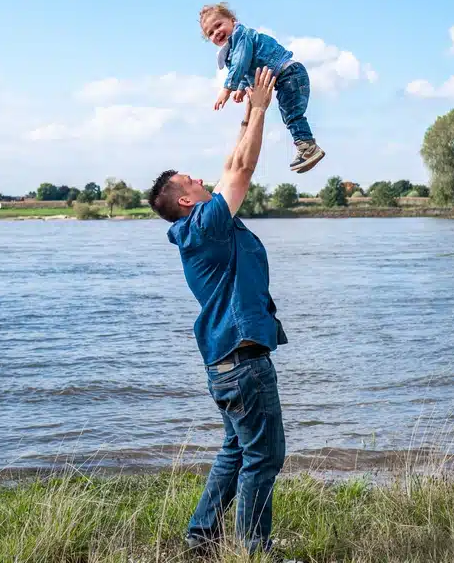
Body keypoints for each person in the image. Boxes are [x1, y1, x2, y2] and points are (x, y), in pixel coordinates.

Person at [147, 67, 289, 556]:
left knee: (236, 450)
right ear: (186, 199)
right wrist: (264, 111)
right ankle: (255, 552)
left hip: (225, 364)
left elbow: (232, 161)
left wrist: (250, 108)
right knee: (263, 458)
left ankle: (200, 537)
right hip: (243, 362)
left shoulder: (203, 225)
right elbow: (242, 171)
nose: (203, 176)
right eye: (191, 179)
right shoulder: (206, 224)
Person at [199, 2, 325, 174]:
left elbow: (241, 62)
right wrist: (242, 87)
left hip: (290, 74)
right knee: (289, 114)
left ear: (232, 21)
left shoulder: (241, 37)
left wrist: (227, 89)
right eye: (210, 33)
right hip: (286, 78)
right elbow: (249, 67)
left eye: (218, 25)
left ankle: (308, 147)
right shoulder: (234, 47)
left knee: (292, 114)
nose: (216, 33)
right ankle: (306, 146)